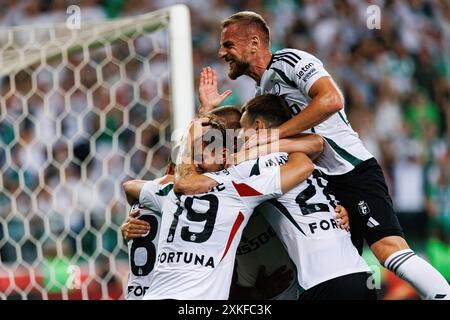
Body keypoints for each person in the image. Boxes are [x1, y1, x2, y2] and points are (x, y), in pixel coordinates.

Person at [198, 11, 450, 300]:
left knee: (388, 250)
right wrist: (207, 114)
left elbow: (331, 99)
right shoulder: (262, 91)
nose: (221, 52)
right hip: (322, 183)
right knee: (344, 267)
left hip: (350, 170)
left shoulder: (290, 61)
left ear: (254, 42)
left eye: (228, 44)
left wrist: (275, 137)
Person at [186, 94, 376, 300]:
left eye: (240, 130)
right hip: (360, 273)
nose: (237, 137)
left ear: (258, 127)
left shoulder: (249, 168)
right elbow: (317, 143)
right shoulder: (300, 155)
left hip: (320, 282)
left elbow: (188, 185)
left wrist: (197, 129)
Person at [140, 116, 314, 299]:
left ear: (224, 154)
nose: (197, 158)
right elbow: (131, 188)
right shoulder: (174, 190)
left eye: (206, 147)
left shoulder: (238, 186)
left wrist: (266, 145)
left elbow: (305, 163)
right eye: (194, 149)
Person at [120, 161, 174, 300]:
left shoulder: (141, 201)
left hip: (136, 293)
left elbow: (128, 186)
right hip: (166, 292)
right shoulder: (179, 201)